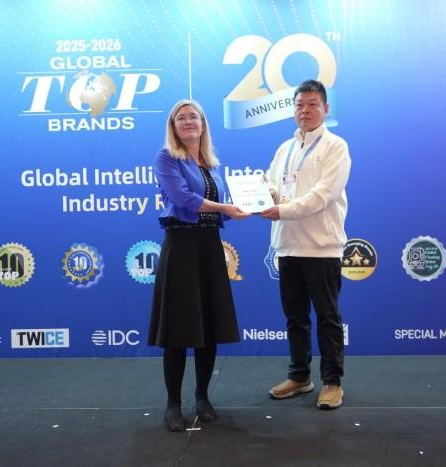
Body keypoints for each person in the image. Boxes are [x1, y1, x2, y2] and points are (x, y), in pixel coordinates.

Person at [149, 99, 249, 432]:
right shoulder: (166, 158)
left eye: (194, 117)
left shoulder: (211, 164)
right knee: (178, 330)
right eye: (181, 118)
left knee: (209, 326)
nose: (188, 121)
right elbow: (183, 199)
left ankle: (203, 397)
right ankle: (173, 404)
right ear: (173, 126)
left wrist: (248, 204)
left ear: (203, 124)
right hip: (181, 246)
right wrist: (225, 208)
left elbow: (219, 205)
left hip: (209, 246)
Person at [261, 80, 351, 409]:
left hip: (321, 248)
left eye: (313, 104)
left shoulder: (336, 146)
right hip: (287, 246)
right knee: (295, 318)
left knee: (328, 318)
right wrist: (263, 195)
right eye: (299, 104)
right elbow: (272, 184)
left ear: (325, 109)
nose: (305, 111)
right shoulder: (284, 148)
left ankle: (332, 382)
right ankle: (299, 376)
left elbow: (323, 196)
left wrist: (281, 210)